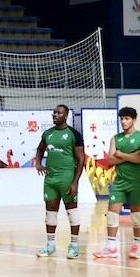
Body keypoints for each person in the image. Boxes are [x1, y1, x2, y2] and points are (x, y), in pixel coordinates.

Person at [93, 107, 140, 260]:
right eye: (122, 119)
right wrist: (130, 156)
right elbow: (110, 160)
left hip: (137, 182)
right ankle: (111, 248)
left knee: (136, 215)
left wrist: (120, 154)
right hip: (120, 182)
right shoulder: (115, 138)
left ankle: (136, 247)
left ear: (134, 119)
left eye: (127, 119)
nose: (124, 122)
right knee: (111, 213)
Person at [34, 104, 85, 259]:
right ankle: (50, 246)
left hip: (67, 178)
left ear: (66, 115)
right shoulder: (47, 133)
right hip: (50, 179)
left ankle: (74, 246)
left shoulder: (74, 134)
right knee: (50, 212)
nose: (55, 114)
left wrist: (75, 182)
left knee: (72, 211)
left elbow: (81, 159)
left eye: (59, 113)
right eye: (54, 112)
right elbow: (40, 149)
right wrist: (38, 163)